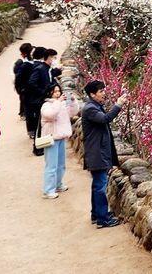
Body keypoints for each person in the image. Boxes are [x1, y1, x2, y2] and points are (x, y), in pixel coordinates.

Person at [81, 80, 126, 227]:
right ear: (92, 94)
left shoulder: (94, 106)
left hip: (98, 152)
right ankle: (102, 219)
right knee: (100, 186)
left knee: (97, 185)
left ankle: (97, 214)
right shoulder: (90, 109)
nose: (103, 93)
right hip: (97, 153)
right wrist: (118, 105)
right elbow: (105, 119)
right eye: (101, 91)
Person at [38, 82, 80, 199]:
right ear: (50, 93)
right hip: (51, 138)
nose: (57, 94)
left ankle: (58, 184)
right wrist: (58, 102)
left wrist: (72, 101)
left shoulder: (61, 104)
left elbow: (73, 112)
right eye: (55, 92)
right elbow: (51, 115)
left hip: (61, 136)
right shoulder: (46, 105)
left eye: (58, 91)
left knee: (61, 164)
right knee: (51, 165)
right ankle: (48, 190)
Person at [25, 49, 58, 154]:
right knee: (39, 125)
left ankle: (43, 146)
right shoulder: (40, 69)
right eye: (53, 57)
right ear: (48, 57)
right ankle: (37, 148)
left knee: (44, 125)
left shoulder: (48, 69)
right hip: (39, 101)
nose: (54, 60)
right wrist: (43, 92)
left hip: (45, 99)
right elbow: (32, 83)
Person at [12, 43, 33, 119]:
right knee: (24, 99)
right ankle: (23, 113)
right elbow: (18, 76)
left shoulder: (25, 61)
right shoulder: (21, 62)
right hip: (23, 85)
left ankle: (23, 113)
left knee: (24, 98)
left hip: (23, 85)